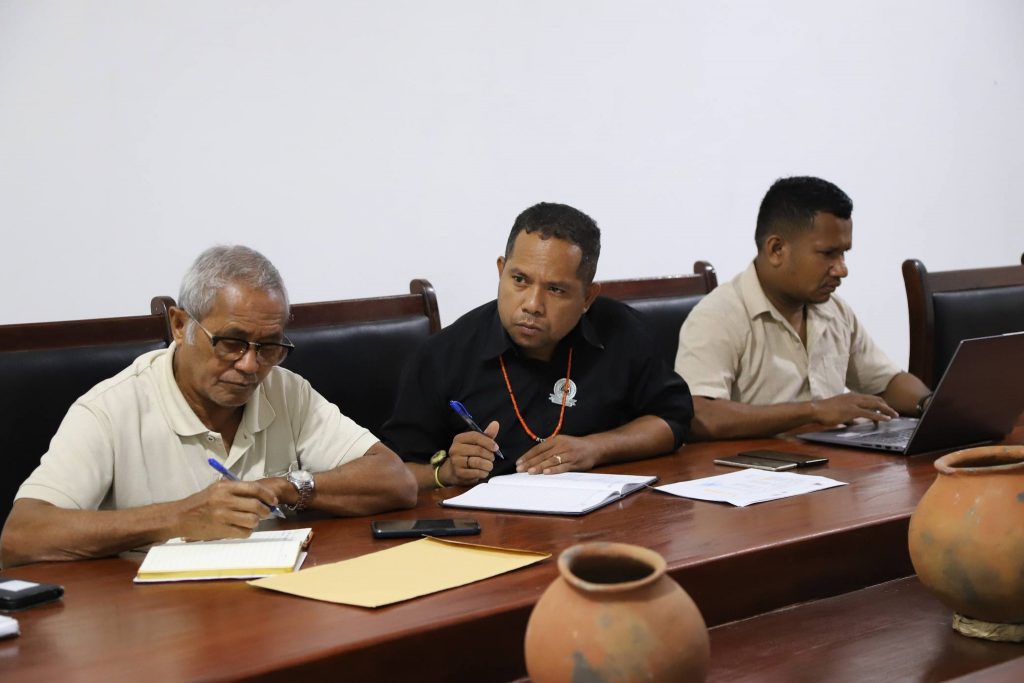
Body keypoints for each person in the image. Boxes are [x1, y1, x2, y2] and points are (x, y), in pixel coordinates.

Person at [1, 246, 416, 567]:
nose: (251, 365)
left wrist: (286, 487)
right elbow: (21, 536)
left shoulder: (285, 390)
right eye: (231, 343)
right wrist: (180, 517)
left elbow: (395, 480)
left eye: (269, 347)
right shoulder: (110, 408)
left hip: (275, 608)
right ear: (180, 325)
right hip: (153, 622)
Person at [382, 202, 694, 491]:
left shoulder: (623, 331)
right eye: (520, 279)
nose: (532, 304)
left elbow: (672, 420)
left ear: (587, 297)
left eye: (555, 289)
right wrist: (446, 472)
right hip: (490, 524)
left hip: (604, 515)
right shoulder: (442, 355)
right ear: (501, 270)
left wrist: (595, 448)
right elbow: (394, 472)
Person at [675, 176, 931, 440]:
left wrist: (930, 404)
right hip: (755, 463)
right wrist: (813, 411)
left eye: (844, 253)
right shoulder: (719, 315)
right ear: (777, 249)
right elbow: (700, 415)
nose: (842, 269)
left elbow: (886, 382)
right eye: (828, 254)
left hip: (831, 460)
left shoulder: (834, 310)